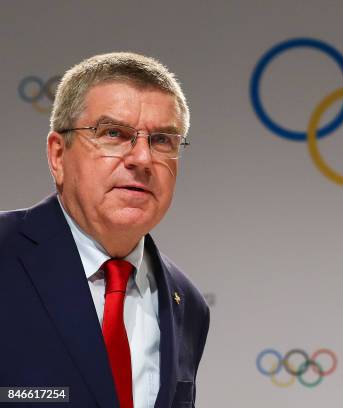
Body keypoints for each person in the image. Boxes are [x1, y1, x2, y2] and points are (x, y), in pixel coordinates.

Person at [0, 52, 210, 408]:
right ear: (57, 155)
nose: (142, 159)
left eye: (162, 140)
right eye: (114, 133)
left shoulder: (188, 304)